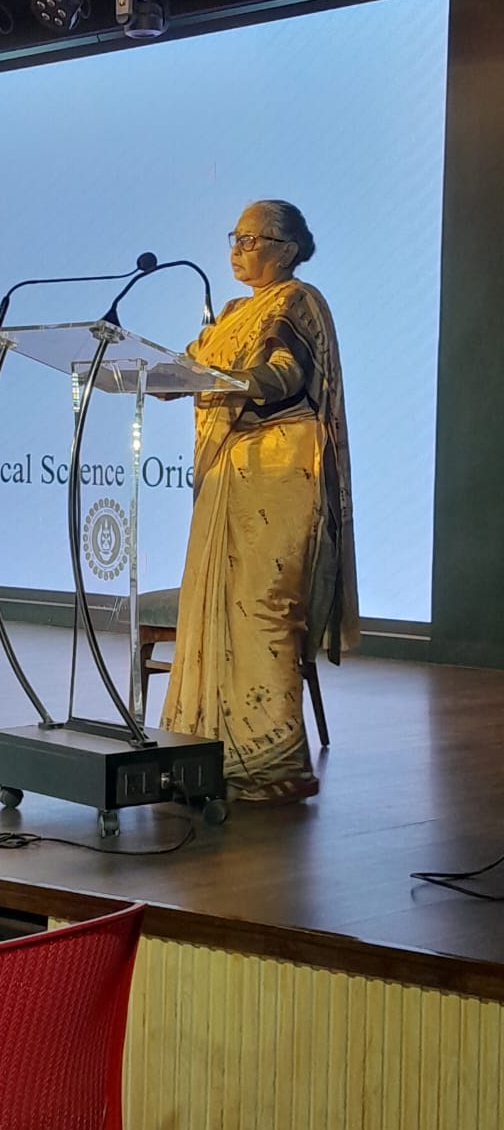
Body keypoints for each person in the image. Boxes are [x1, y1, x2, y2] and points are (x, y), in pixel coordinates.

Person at [161, 200, 359, 803]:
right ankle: (201, 756)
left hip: (277, 469)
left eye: (252, 239)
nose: (238, 249)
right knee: (215, 608)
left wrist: (231, 382)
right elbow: (187, 366)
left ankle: (272, 765)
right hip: (229, 473)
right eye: (236, 238)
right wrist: (154, 375)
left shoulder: (298, 300)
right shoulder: (231, 314)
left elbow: (286, 373)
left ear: (288, 248)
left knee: (262, 609)